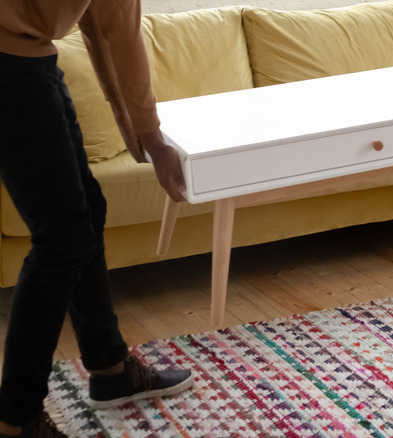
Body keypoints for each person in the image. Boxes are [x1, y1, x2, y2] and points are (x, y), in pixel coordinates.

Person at [0, 1, 194, 436]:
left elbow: (101, 22)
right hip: (12, 68)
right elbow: (120, 31)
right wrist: (150, 133)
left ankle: (110, 369)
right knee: (62, 240)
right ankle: (15, 420)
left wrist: (126, 112)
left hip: (27, 62)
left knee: (86, 211)